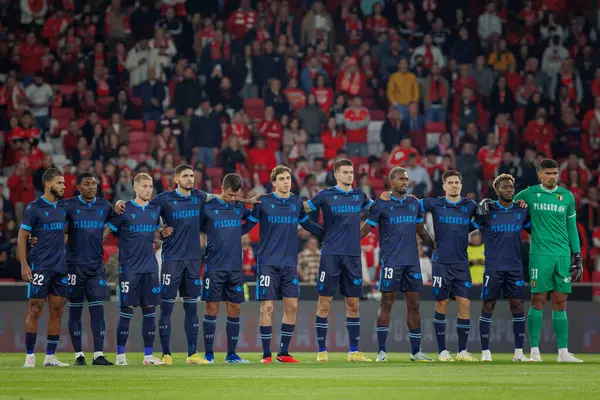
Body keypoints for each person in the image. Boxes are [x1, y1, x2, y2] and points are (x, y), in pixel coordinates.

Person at [483, 159, 583, 362]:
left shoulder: (566, 196)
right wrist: (488, 202)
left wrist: (577, 254)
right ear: (540, 175)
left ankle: (563, 352)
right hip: (539, 255)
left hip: (562, 255)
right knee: (538, 300)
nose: (552, 177)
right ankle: (535, 350)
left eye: (555, 173)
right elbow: (505, 201)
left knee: (561, 302)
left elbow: (572, 227)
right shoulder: (528, 194)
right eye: (548, 173)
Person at [242, 165, 323, 364]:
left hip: (289, 263)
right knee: (267, 308)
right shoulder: (264, 202)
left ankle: (283, 353)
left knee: (292, 306)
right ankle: (266, 354)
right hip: (268, 262)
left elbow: (308, 225)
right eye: (283, 178)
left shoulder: (296, 202)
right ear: (274, 182)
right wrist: (226, 229)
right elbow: (248, 225)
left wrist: (328, 232)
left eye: (288, 178)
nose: (287, 181)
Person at [360, 167, 436, 362]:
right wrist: (349, 240)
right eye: (401, 179)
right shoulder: (381, 204)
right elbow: (367, 227)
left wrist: (434, 244)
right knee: (386, 304)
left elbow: (420, 230)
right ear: (391, 181)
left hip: (412, 263)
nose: (405, 182)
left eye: (407, 179)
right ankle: (382, 352)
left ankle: (416, 352)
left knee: (414, 305)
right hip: (391, 262)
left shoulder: (414, 203)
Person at [303, 158, 374, 362]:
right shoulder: (325, 195)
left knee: (353, 304)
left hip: (352, 256)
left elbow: (378, 209)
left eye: (351, 172)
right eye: (345, 172)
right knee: (324, 302)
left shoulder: (359, 195)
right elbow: (302, 209)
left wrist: (390, 199)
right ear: (336, 174)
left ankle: (353, 352)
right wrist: (317, 231)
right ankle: (322, 351)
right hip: (331, 255)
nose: (350, 175)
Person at [106, 173, 166, 366]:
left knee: (150, 312)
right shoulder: (124, 209)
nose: (149, 189)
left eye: (150, 186)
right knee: (127, 311)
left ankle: (148, 356)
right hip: (130, 269)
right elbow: (106, 231)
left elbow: (155, 233)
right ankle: (120, 356)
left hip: (150, 268)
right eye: (145, 186)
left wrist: (162, 234)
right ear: (136, 188)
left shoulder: (155, 210)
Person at [420, 170, 478, 362]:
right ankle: (443, 351)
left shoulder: (469, 205)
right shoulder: (435, 203)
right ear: (444, 186)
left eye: (457, 182)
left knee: (465, 303)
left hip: (461, 263)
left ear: (461, 185)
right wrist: (391, 196)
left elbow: (485, 217)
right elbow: (411, 204)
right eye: (451, 182)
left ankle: (462, 351)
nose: (454, 185)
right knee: (442, 303)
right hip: (441, 262)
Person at [475, 174, 531, 362]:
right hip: (493, 267)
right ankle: (485, 353)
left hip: (515, 267)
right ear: (497, 190)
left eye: (511, 187)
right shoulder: (488, 210)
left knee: (517, 307)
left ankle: (518, 353)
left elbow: (536, 230)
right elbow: (467, 227)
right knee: (488, 306)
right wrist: (478, 208)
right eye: (505, 187)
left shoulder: (521, 211)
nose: (509, 190)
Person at [200, 174, 253, 364]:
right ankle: (209, 355)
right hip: (214, 266)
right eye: (230, 194)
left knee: (235, 309)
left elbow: (253, 217)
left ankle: (231, 355)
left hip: (235, 268)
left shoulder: (239, 207)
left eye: (235, 195)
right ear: (222, 188)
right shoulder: (207, 208)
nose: (232, 198)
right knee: (211, 308)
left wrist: (241, 230)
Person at [19, 168, 69, 367]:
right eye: (59, 183)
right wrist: (24, 264)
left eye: (64, 183)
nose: (63, 186)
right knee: (35, 309)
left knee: (57, 310)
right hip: (39, 265)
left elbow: (65, 230)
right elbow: (22, 236)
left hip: (59, 266)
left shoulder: (64, 207)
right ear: (48, 184)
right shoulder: (34, 208)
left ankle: (50, 357)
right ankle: (30, 356)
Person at [64, 173, 114, 366]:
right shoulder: (68, 205)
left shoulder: (104, 205)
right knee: (75, 310)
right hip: (74, 265)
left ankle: (98, 355)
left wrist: (107, 230)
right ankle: (79, 356)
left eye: (94, 184)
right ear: (78, 187)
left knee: (98, 311)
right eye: (87, 184)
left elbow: (117, 219)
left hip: (96, 266)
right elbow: (56, 224)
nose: (92, 187)